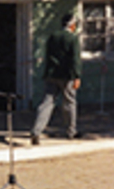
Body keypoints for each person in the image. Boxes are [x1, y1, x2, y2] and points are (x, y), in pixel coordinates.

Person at [31, 13, 82, 145]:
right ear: (72, 25)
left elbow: (47, 55)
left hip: (51, 74)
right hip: (67, 76)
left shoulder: (53, 37)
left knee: (46, 103)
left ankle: (36, 131)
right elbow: (75, 59)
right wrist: (76, 75)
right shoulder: (72, 38)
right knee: (69, 103)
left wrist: (47, 72)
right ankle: (71, 131)